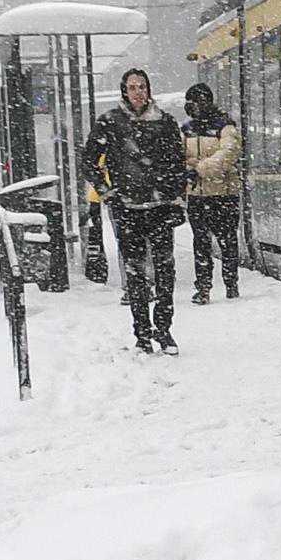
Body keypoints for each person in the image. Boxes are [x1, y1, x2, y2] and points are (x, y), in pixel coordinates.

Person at [84, 66, 190, 353]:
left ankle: (164, 329)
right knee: (135, 272)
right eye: (132, 87)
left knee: (165, 270)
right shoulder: (110, 123)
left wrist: (176, 196)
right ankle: (142, 332)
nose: (138, 92)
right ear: (124, 91)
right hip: (127, 207)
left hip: (160, 206)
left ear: (149, 89)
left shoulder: (165, 123)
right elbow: (89, 161)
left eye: (142, 86)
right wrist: (108, 193)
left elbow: (178, 163)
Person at [181, 83, 246, 302]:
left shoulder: (225, 126)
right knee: (200, 242)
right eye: (190, 103)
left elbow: (227, 155)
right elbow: (178, 157)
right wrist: (193, 167)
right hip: (197, 196)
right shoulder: (187, 129)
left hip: (224, 195)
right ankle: (203, 287)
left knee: (227, 240)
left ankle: (231, 283)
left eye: (197, 102)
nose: (193, 107)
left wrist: (198, 168)